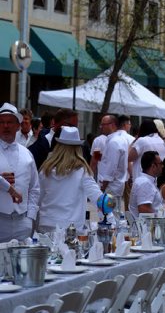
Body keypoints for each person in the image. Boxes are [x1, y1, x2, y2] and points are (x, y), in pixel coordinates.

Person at [38, 126, 103, 232]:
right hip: (71, 227)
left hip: (47, 223)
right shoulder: (82, 172)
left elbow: (38, 198)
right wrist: (111, 218)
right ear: (78, 148)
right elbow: (97, 197)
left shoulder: (46, 169)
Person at [0, 103, 40, 241]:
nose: (6, 126)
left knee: (22, 262)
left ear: (18, 126)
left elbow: (34, 188)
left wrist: (30, 217)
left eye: (10, 122)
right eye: (2, 122)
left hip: (22, 222)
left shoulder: (27, 153)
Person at [98, 114, 129, 207]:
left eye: (103, 124)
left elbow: (111, 168)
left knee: (110, 217)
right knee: (113, 215)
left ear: (112, 125)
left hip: (111, 187)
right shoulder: (117, 140)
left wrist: (103, 186)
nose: (101, 127)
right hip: (115, 186)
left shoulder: (114, 142)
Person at [128, 150, 163, 219]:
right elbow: (144, 209)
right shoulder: (145, 183)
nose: (162, 166)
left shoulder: (146, 181)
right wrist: (162, 218)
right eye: (161, 164)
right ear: (153, 166)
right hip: (146, 227)